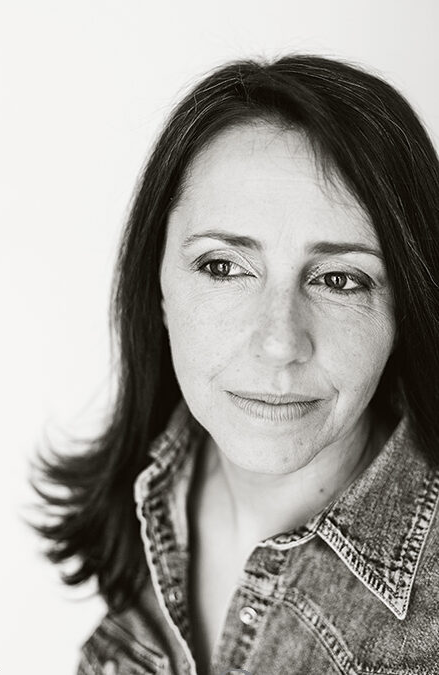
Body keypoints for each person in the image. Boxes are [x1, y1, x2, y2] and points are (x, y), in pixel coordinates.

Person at [30, 54, 439, 674]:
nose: (279, 342)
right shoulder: (140, 504)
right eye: (223, 267)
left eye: (339, 279)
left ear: (405, 308)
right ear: (156, 285)